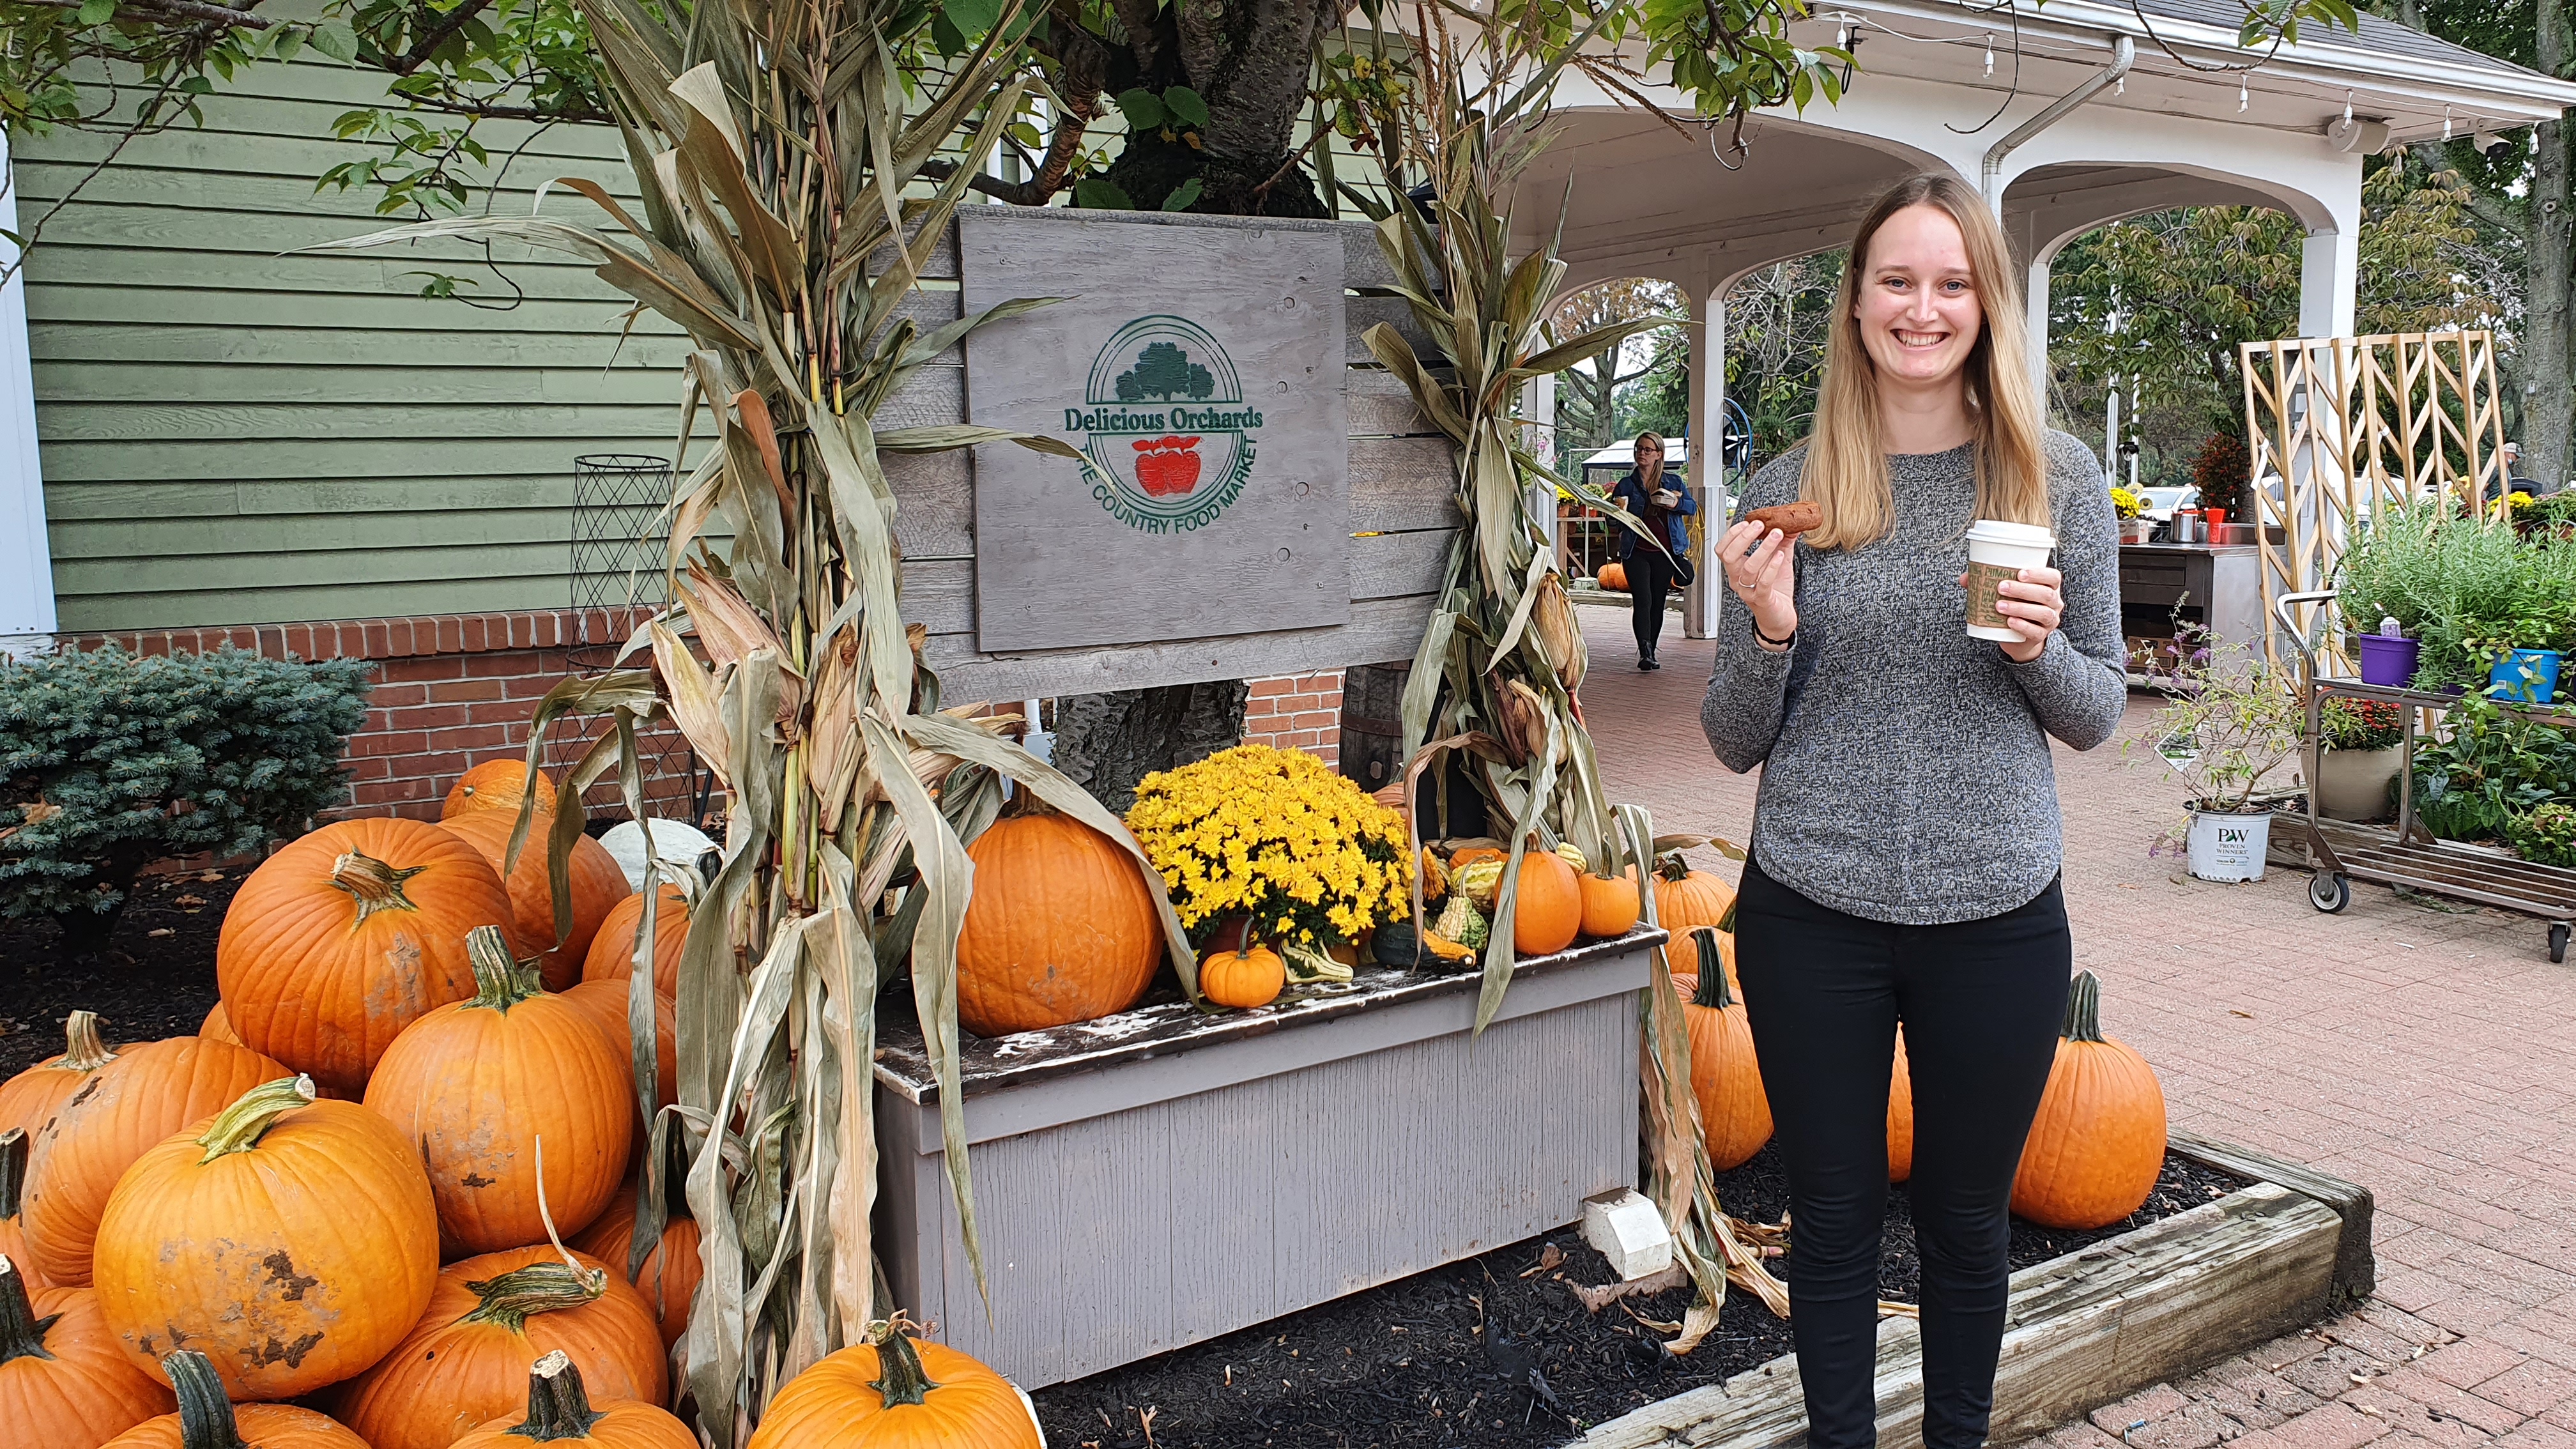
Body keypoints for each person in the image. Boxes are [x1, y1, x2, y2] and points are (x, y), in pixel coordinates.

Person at [1703, 173, 2126, 1449]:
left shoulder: (2054, 479)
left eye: (1951, 282)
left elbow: (2096, 711)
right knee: (1829, 1219)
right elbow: (1731, 741)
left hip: (1995, 912)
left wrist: (2037, 651)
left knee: (1964, 1221)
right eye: (1897, 279)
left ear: (1986, 304)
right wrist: (1772, 630)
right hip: (1810, 912)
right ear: (1855, 303)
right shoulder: (1792, 488)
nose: (1923, 307)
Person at [1609, 431, 1697, 670]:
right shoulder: (1627, 484)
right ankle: (1645, 650)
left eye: (1648, 450)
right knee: (1643, 599)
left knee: (1658, 601)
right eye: (1639, 449)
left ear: (1659, 454)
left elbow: (1692, 508)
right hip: (1636, 550)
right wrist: (1616, 512)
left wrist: (1675, 503)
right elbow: (1612, 521)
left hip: (1665, 551)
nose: (1642, 453)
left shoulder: (1673, 482)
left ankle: (1651, 649)